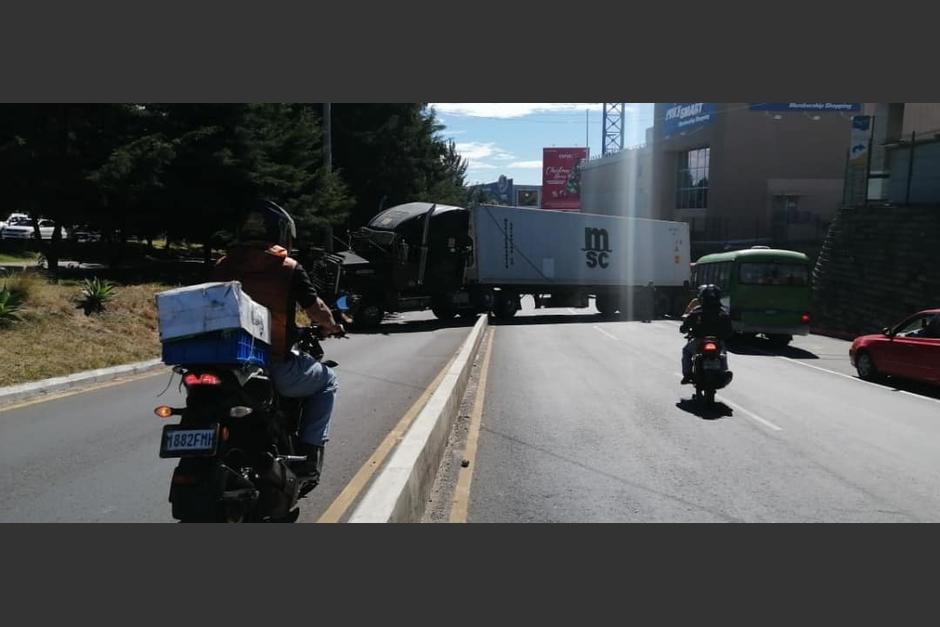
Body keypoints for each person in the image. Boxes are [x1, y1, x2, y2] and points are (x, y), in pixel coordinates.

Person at [212, 200, 344, 488]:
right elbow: (316, 309)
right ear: (283, 234)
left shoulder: (222, 266)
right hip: (271, 364)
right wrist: (331, 324)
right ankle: (309, 454)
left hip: (223, 364)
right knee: (328, 381)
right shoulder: (287, 268)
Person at [679, 284, 733, 384]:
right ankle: (723, 371)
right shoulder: (723, 313)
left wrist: (683, 329)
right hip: (717, 340)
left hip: (700, 339)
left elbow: (685, 326)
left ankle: (687, 374)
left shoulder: (697, 311)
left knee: (686, 351)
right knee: (723, 354)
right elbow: (729, 330)